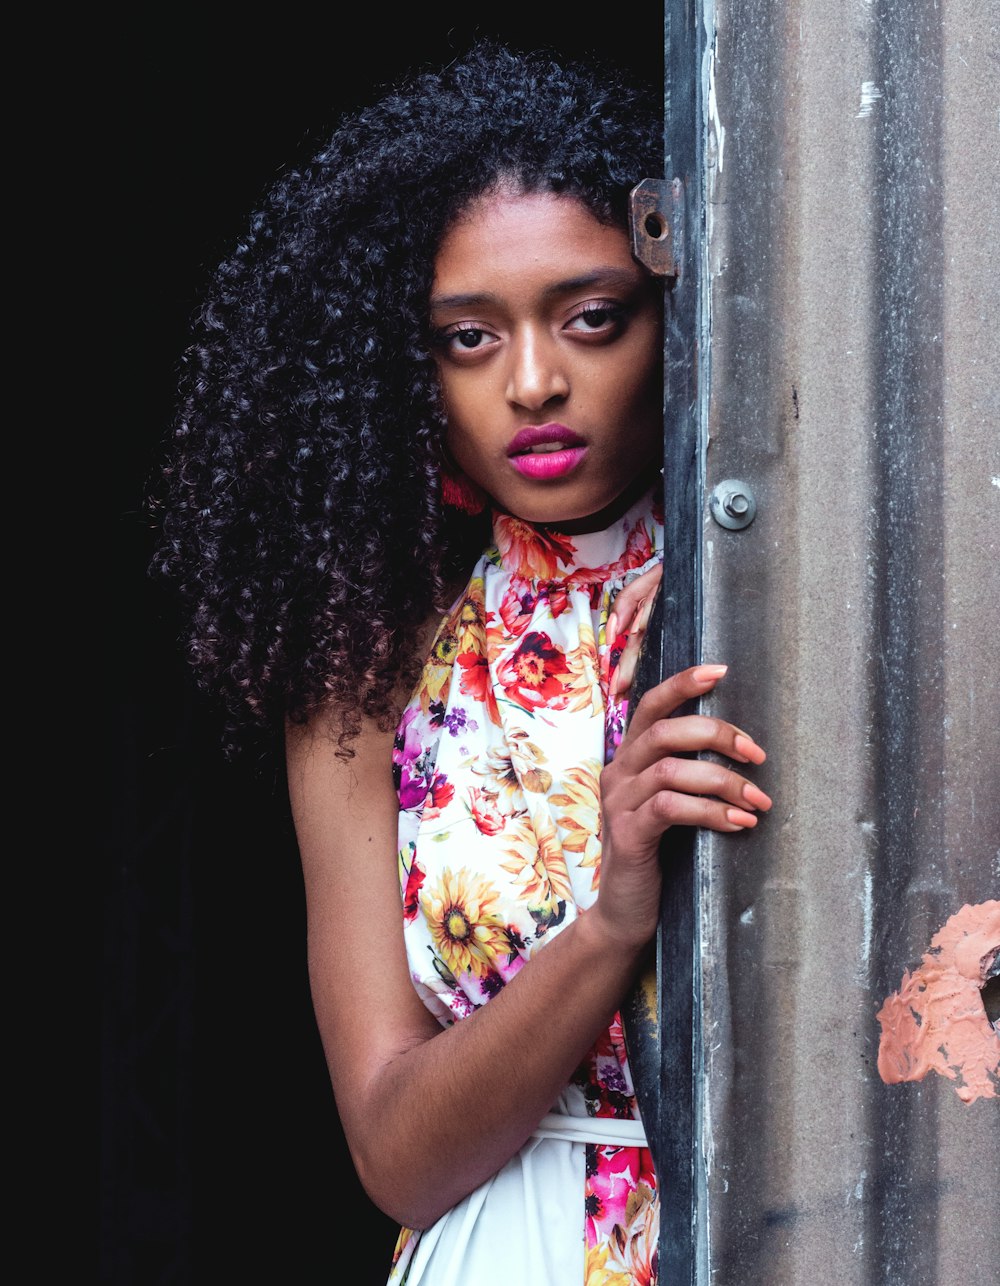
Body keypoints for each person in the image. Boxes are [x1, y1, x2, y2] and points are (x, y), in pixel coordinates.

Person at [149, 40, 772, 1285]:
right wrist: (608, 919)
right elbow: (396, 1150)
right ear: (412, 370)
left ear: (675, 310)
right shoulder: (370, 667)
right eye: (468, 339)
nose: (536, 381)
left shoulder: (792, 596)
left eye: (592, 318)